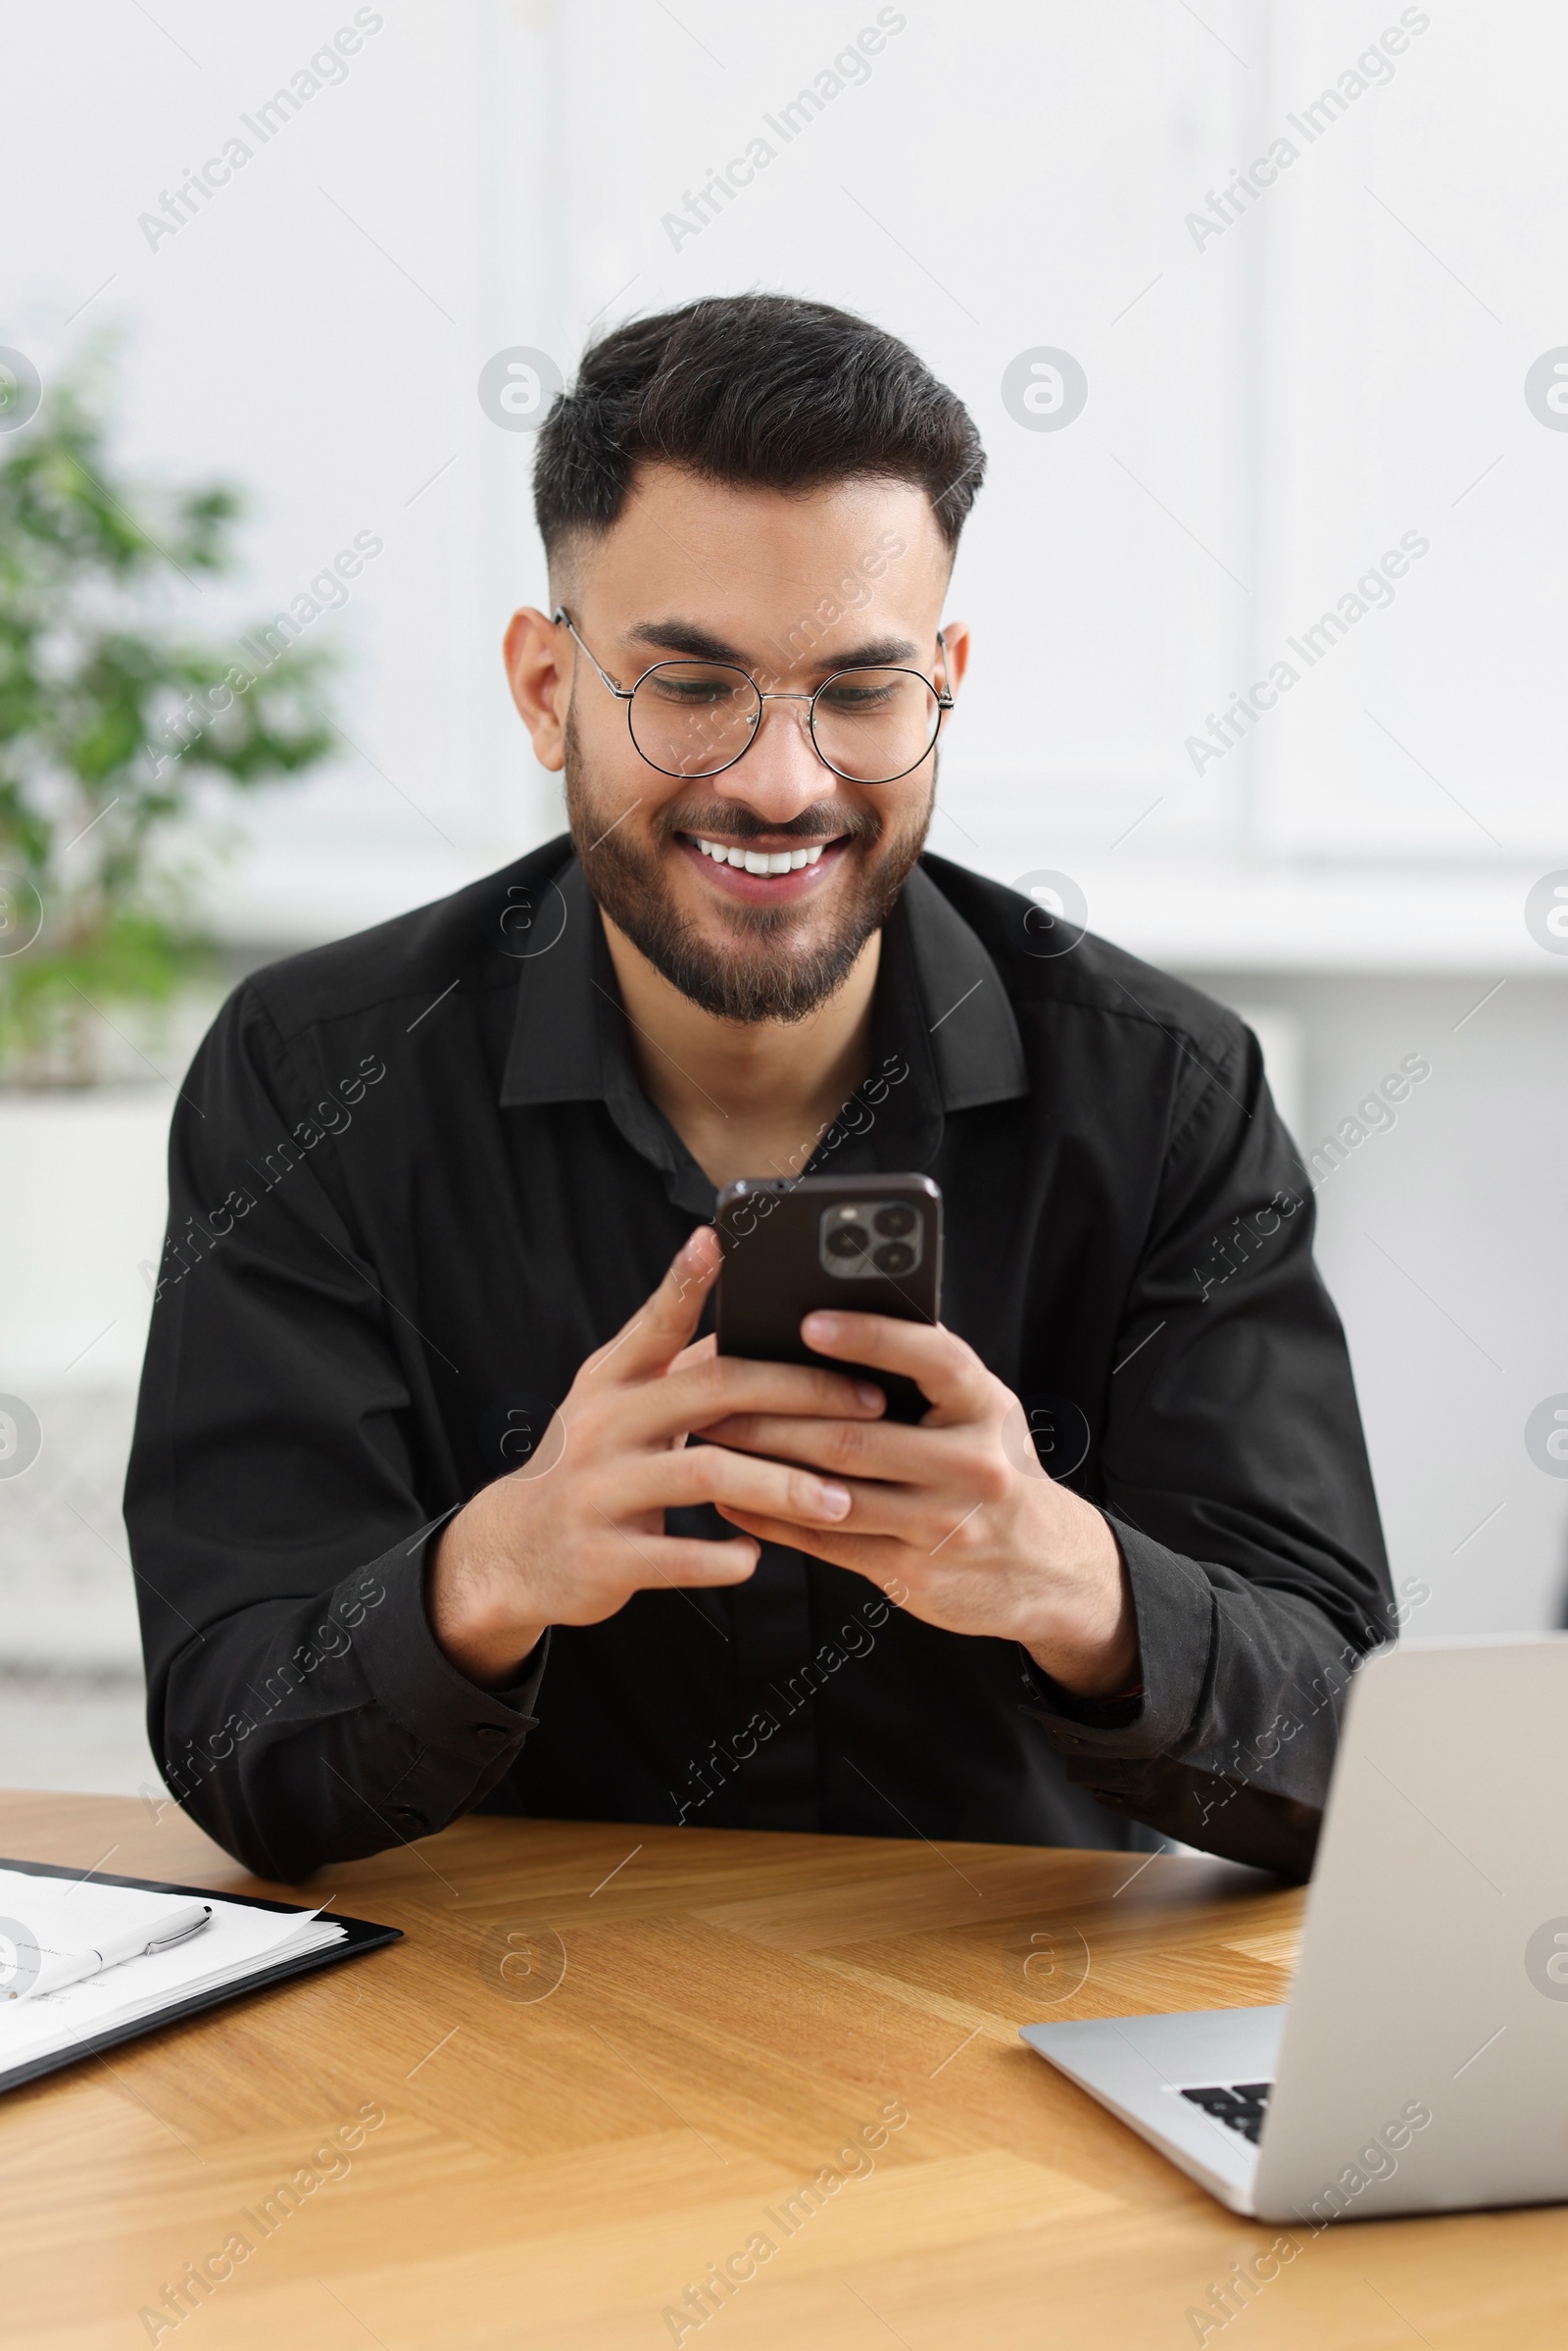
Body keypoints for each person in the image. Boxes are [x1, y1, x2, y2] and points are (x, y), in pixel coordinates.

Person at [125, 293, 1393, 1885]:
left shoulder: (1166, 1092)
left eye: (860, 694)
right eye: (692, 686)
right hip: (502, 2057)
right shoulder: (313, 1076)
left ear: (945, 683)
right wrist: (496, 1569)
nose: (780, 783)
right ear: (545, 689)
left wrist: (1072, 1580)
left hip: (1000, 2055)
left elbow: (1357, 1760)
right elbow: (237, 1751)